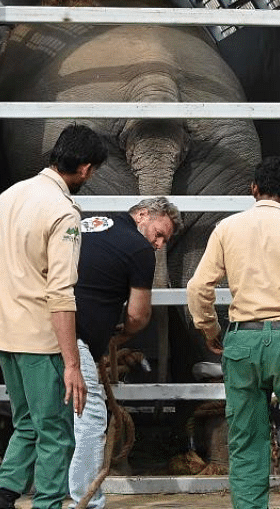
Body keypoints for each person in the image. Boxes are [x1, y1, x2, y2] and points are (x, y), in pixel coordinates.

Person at [0, 123, 108, 509]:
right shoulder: (64, 213)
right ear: (86, 169)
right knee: (57, 434)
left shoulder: (10, 197)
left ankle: (3, 499)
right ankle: (47, 504)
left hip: (7, 338)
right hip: (41, 342)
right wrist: (72, 363)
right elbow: (61, 293)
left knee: (27, 424)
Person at [186, 156, 280, 509]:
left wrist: (210, 329)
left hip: (241, 342)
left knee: (245, 442)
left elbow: (198, 288)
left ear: (253, 189)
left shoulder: (226, 229)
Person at [69, 196, 181, 509]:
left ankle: (35, 495)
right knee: (91, 418)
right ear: (142, 214)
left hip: (37, 331)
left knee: (47, 417)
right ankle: (86, 500)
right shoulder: (138, 249)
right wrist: (123, 335)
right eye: (159, 233)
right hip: (74, 339)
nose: (159, 245)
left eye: (164, 241)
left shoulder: (86, 226)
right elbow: (138, 315)